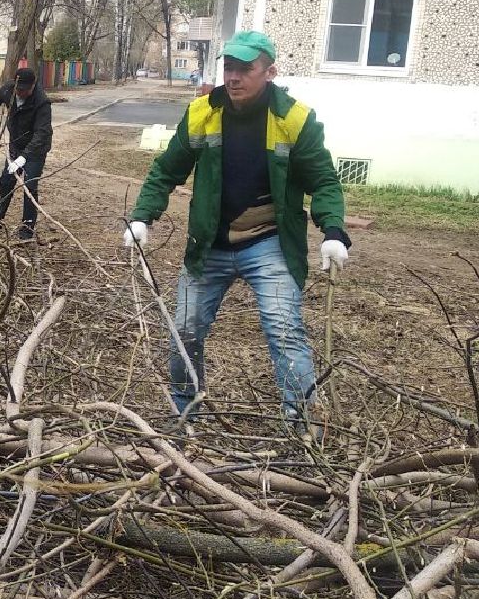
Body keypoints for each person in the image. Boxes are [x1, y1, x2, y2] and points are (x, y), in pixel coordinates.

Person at [124, 30, 351, 420]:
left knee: (284, 330)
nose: (233, 77)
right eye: (229, 67)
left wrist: (333, 231)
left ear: (270, 72)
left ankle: (301, 424)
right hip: (210, 244)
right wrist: (143, 216)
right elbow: (166, 170)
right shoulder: (202, 113)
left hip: (269, 243)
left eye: (245, 69)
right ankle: (184, 414)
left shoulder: (294, 119)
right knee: (185, 331)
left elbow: (324, 180)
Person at [0, 59, 52, 241]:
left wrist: (25, 157)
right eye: (19, 89)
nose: (21, 92)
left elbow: (41, 133)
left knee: (29, 186)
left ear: (33, 85)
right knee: (6, 181)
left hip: (35, 149)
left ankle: (27, 227)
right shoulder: (10, 88)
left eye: (25, 90)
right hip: (15, 145)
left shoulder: (42, 102)